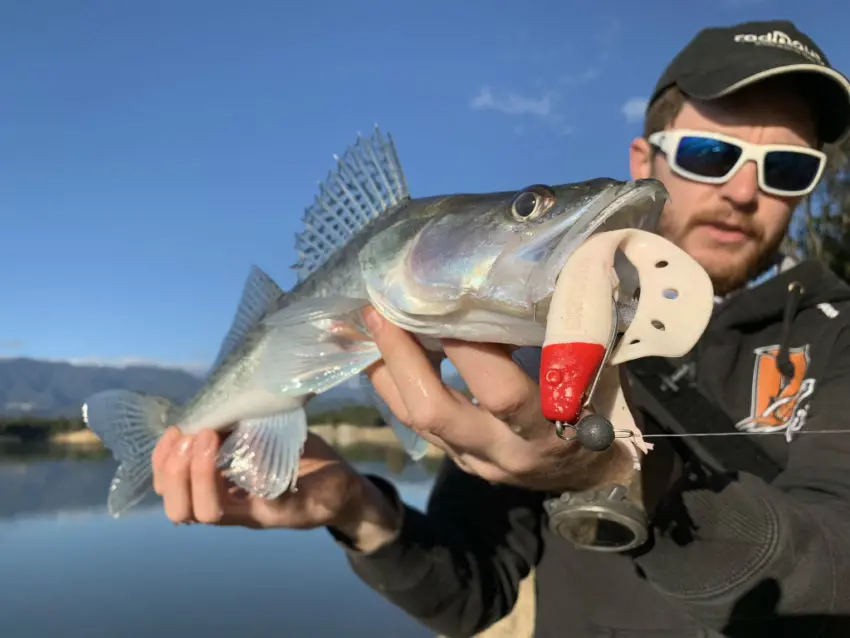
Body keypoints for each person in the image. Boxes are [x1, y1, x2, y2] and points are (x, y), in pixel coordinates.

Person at [151, 19, 850, 637]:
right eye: (708, 154)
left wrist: (620, 476)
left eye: (788, 169)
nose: (741, 191)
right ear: (646, 163)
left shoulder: (837, 334)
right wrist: (357, 509)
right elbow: (471, 594)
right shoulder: (540, 356)